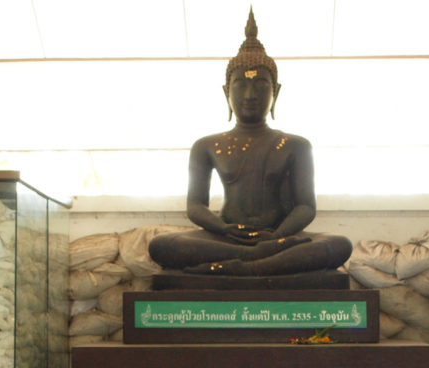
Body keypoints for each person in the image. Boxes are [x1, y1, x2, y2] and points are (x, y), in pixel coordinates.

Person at [148, 10, 351, 277]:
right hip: (227, 237)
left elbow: (305, 207)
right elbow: (195, 206)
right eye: (240, 85)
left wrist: (277, 235)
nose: (250, 95)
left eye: (261, 85)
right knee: (161, 245)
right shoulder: (206, 146)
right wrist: (223, 229)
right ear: (226, 91)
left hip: (278, 237)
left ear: (276, 91)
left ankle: (243, 265)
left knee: (338, 245)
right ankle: (255, 259)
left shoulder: (296, 145)